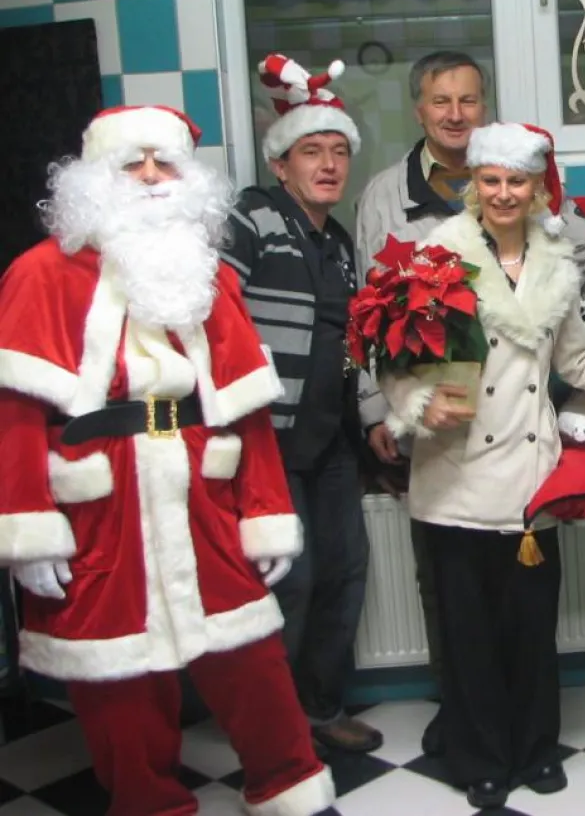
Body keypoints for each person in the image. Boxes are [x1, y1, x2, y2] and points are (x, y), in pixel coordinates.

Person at [354, 49, 585, 755]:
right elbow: (379, 326)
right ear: (420, 109)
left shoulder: (551, 246)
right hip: (450, 454)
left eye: (468, 100)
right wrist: (392, 410)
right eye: (440, 101)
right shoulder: (418, 233)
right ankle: (471, 740)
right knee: (456, 613)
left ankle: (530, 741)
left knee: (526, 616)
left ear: (532, 185)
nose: (455, 113)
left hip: (526, 458)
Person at [0, 105, 334, 815]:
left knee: (251, 658)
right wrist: (25, 530)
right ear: (96, 180)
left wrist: (268, 511)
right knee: (117, 677)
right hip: (97, 500)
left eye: (166, 164)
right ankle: (149, 804)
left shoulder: (209, 275)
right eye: (132, 164)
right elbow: (17, 414)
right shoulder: (39, 273)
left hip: (202, 489)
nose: (152, 177)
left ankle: (290, 788)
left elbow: (246, 409)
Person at [223, 54, 390, 753]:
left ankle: (319, 710)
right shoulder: (252, 217)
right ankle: (272, 728)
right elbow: (214, 311)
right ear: (281, 163)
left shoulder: (342, 242)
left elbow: (354, 340)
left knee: (345, 572)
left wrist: (376, 416)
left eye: (338, 151)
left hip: (330, 442)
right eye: (311, 151)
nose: (328, 164)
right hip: (268, 439)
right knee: (291, 583)